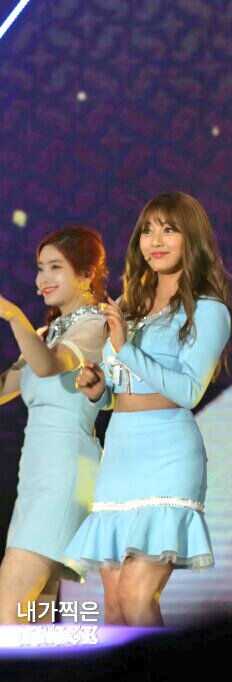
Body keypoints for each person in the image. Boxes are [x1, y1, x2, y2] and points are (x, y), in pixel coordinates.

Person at [64, 192, 232, 626]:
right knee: (115, 607)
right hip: (120, 453)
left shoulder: (208, 310)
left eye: (169, 230)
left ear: (191, 238)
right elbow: (123, 389)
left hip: (167, 452)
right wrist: (98, 390)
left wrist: (125, 350)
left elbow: (189, 390)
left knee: (137, 598)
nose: (155, 241)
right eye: (148, 230)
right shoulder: (130, 307)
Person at [0, 226, 108, 623]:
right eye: (40, 267)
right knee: (34, 620)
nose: (41, 278)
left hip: (65, 476)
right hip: (34, 478)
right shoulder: (45, 334)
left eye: (55, 267)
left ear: (86, 275)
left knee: (7, 611)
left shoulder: (95, 325)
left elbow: (50, 367)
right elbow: (5, 386)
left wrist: (12, 315)